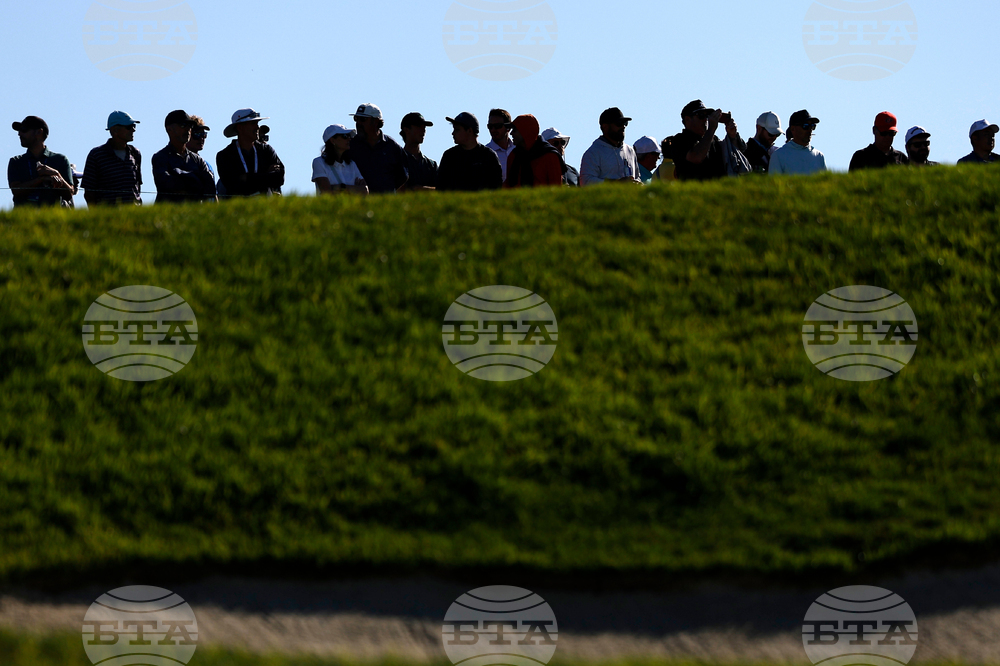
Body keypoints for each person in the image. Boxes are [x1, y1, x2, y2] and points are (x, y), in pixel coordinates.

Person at [151, 110, 217, 204]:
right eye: (183, 125)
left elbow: (210, 189)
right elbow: (166, 184)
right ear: (169, 129)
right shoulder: (160, 157)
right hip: (169, 212)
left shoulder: (198, 160)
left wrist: (178, 175)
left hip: (194, 211)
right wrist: (196, 179)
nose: (188, 129)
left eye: (190, 126)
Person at [8, 115, 75, 207]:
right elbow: (16, 191)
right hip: (24, 216)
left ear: (39, 132)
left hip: (52, 216)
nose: (19, 134)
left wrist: (56, 174)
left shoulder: (60, 160)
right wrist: (41, 179)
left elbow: (69, 194)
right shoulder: (16, 161)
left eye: (24, 130)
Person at [216, 108, 284, 197]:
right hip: (240, 205)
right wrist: (266, 175)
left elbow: (279, 178)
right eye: (253, 123)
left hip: (265, 204)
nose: (257, 127)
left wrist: (246, 178)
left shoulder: (267, 150)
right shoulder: (225, 156)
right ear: (240, 127)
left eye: (257, 123)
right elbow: (233, 186)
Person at [672, 100, 745, 181]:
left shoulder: (713, 139)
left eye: (707, 116)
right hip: (695, 188)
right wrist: (711, 129)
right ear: (688, 119)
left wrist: (732, 136)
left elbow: (734, 157)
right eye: (701, 115)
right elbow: (696, 158)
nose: (705, 120)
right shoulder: (679, 140)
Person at [82, 110, 143, 205]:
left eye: (134, 126)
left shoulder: (135, 153)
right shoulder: (96, 155)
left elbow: (137, 187)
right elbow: (89, 193)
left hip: (134, 213)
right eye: (129, 127)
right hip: (108, 213)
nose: (133, 130)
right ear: (115, 130)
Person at [349, 103, 408, 193]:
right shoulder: (351, 145)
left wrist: (387, 190)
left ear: (376, 122)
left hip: (385, 201)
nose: (358, 123)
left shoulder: (392, 146)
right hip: (359, 200)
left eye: (363, 119)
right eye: (356, 119)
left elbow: (403, 176)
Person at [437, 112, 503, 192]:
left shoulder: (488, 156)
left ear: (469, 131)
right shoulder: (449, 156)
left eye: (457, 130)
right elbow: (441, 188)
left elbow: (496, 188)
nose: (453, 133)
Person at [579, 107, 640, 186]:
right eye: (619, 123)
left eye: (625, 123)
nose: (623, 127)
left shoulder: (630, 151)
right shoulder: (593, 153)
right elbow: (586, 182)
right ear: (605, 127)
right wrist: (617, 183)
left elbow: (637, 177)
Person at [504, 114, 563, 188]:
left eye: (515, 130)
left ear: (525, 131)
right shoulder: (513, 155)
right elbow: (508, 186)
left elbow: (556, 187)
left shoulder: (549, 155)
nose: (511, 133)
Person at [768, 110, 828, 176]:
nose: (810, 130)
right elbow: (774, 182)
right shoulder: (779, 155)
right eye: (805, 126)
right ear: (793, 129)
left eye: (812, 126)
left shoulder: (819, 156)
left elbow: (826, 182)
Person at [312, 124, 367, 195]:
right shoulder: (319, 162)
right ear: (332, 140)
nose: (349, 139)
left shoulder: (352, 164)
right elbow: (326, 192)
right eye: (344, 136)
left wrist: (340, 187)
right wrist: (355, 189)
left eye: (349, 136)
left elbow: (365, 191)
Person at [399, 113, 437, 190]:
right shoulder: (397, 160)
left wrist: (418, 189)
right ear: (406, 130)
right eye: (419, 126)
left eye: (424, 127)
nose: (423, 130)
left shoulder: (431, 165)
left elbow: (442, 191)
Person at [486, 109, 515, 184]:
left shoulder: (518, 149)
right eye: (490, 126)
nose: (493, 130)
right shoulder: (485, 154)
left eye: (497, 126)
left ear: (508, 128)